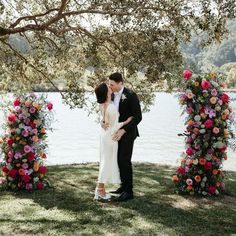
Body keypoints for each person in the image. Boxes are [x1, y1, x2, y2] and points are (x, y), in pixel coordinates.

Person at [94, 83, 133, 200]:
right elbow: (115, 125)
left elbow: (105, 120)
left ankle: (101, 190)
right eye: (108, 87)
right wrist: (126, 122)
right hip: (111, 136)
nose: (110, 88)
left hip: (105, 136)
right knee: (106, 163)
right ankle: (99, 190)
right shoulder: (110, 106)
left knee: (105, 161)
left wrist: (103, 122)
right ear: (106, 92)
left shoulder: (103, 105)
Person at [108, 72, 142, 201]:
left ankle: (129, 192)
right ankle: (123, 186)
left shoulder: (131, 95)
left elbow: (138, 117)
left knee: (124, 160)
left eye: (112, 84)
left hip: (128, 132)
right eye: (109, 84)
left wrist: (124, 131)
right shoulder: (111, 94)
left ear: (120, 83)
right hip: (115, 132)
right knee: (118, 159)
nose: (110, 86)